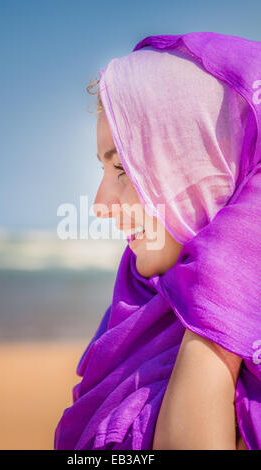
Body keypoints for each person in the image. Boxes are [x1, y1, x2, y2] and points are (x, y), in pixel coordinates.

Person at [54, 32, 261, 450]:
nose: (100, 204)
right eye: (104, 169)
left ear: (211, 169)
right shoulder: (139, 310)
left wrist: (222, 286)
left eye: (124, 170)